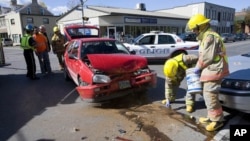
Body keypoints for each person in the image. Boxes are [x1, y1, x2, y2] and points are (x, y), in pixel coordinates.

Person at [186, 14, 229, 132]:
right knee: (207, 96)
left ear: (201, 26)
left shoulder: (210, 37)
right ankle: (212, 117)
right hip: (212, 69)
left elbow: (206, 57)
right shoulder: (206, 36)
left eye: (194, 29)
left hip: (215, 69)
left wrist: (197, 68)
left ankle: (218, 121)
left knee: (210, 96)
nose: (194, 31)